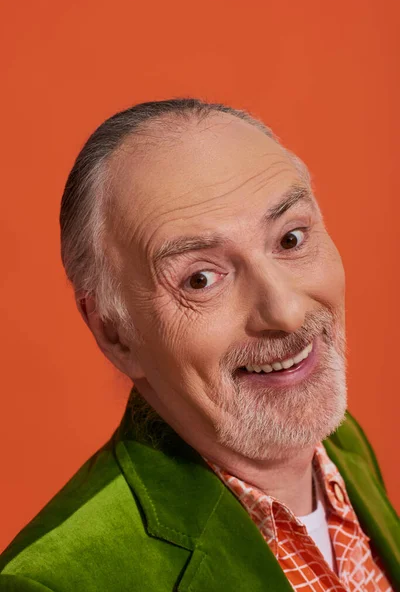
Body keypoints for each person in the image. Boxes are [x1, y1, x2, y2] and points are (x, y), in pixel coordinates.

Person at [0, 98, 398, 591]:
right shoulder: (51, 583)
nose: (287, 311)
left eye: (291, 239)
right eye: (201, 279)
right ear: (115, 334)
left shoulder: (340, 444)